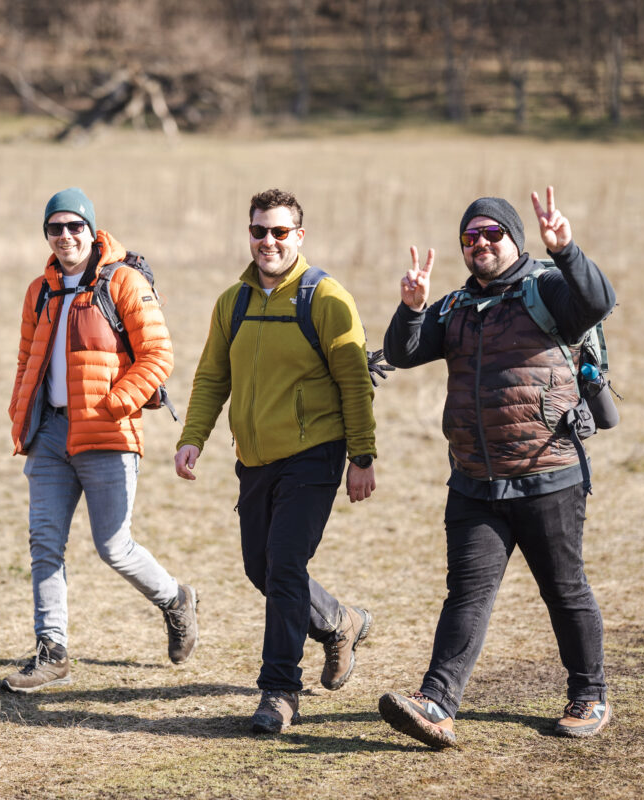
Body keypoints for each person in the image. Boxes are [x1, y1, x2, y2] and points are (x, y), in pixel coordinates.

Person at [378, 187, 616, 747]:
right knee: (466, 593)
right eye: (470, 237)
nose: (480, 244)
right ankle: (436, 702)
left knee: (564, 589)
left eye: (492, 234)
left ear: (515, 239)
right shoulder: (458, 306)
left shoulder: (548, 290)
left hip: (548, 474)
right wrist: (412, 307)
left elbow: (598, 301)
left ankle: (590, 694)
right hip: (474, 482)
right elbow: (405, 352)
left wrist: (567, 249)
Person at [174, 188, 377, 734]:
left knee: (285, 566)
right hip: (255, 458)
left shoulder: (327, 299)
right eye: (259, 231)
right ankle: (339, 622)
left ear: (299, 237)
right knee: (260, 569)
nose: (268, 241)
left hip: (315, 454)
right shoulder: (233, 301)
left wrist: (362, 455)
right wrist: (194, 436)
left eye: (280, 232)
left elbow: (355, 384)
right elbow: (213, 376)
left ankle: (280, 691)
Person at [3, 187, 199, 693]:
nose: (66, 236)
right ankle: (52, 654)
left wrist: (113, 404)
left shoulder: (124, 283)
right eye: (55, 228)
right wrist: (21, 415)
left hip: (109, 434)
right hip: (50, 436)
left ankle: (176, 599)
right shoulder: (39, 291)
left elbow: (158, 355)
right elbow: (27, 359)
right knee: (45, 544)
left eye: (75, 227)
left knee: (113, 546)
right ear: (46, 234)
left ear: (92, 230)